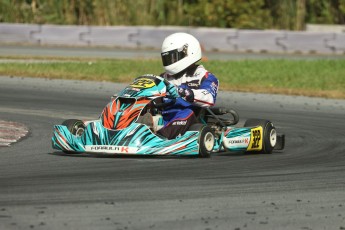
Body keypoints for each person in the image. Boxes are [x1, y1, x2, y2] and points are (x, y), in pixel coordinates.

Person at [157, 32, 219, 139]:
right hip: (163, 115)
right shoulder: (163, 78)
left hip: (189, 118)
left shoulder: (204, 76)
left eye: (173, 57)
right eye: (168, 58)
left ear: (189, 53)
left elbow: (209, 98)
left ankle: (159, 138)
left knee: (186, 113)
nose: (170, 61)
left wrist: (185, 92)